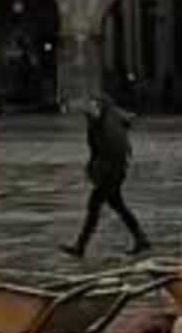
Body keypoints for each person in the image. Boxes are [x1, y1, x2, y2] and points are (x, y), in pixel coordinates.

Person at [62, 96, 151, 258]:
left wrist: (104, 174)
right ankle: (141, 239)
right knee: (118, 206)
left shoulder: (111, 127)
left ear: (102, 107)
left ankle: (80, 247)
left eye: (94, 106)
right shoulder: (98, 121)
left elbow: (115, 154)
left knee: (94, 205)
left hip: (113, 173)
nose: (91, 110)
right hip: (111, 172)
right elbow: (96, 150)